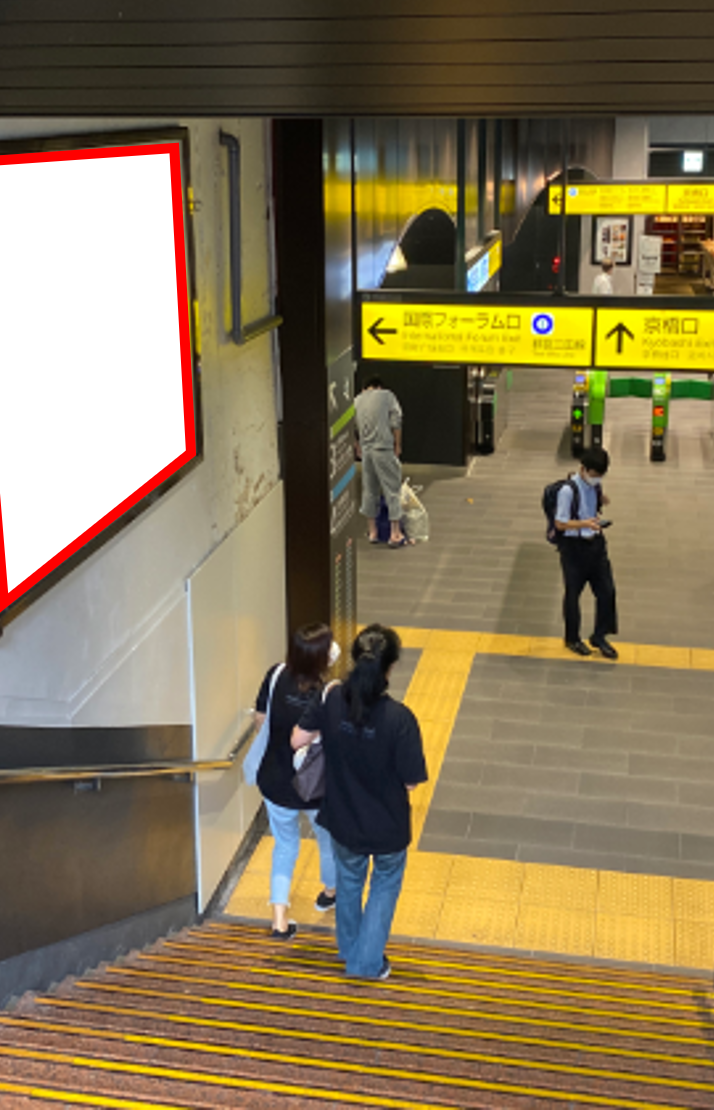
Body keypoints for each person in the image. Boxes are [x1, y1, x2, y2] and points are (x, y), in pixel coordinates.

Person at [293, 625, 428, 980]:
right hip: (387, 825)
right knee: (384, 886)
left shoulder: (332, 699)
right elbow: (411, 781)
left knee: (349, 882)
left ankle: (350, 950)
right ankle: (366, 964)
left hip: (342, 817)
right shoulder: (400, 719)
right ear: (390, 667)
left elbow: (297, 740)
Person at [251, 622, 340, 940]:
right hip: (315, 786)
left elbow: (260, 720)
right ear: (323, 657)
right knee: (327, 840)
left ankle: (279, 919)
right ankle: (330, 892)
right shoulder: (328, 694)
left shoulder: (275, 675)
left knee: (285, 845)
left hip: (275, 780)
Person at [554, 447, 619, 659]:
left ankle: (600, 636)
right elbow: (560, 523)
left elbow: (591, 503)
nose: (597, 479)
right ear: (583, 469)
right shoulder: (567, 491)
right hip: (574, 549)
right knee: (573, 594)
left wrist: (601, 499)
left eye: (600, 475)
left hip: (596, 545)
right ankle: (572, 638)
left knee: (607, 591)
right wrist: (585, 523)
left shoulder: (595, 485)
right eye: (594, 474)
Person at [355, 376, 406, 547]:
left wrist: (357, 446)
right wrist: (397, 445)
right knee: (392, 489)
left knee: (369, 490)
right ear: (378, 387)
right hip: (383, 448)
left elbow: (349, 427)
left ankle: (373, 532)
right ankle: (395, 533)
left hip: (366, 451)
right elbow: (396, 421)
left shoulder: (357, 400)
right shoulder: (387, 395)